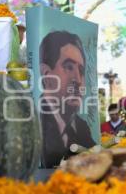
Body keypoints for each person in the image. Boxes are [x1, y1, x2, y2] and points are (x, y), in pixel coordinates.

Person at [39, 31, 96, 168]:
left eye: (81, 71)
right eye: (68, 67)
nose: (78, 80)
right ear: (47, 75)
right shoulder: (34, 122)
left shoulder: (81, 127)